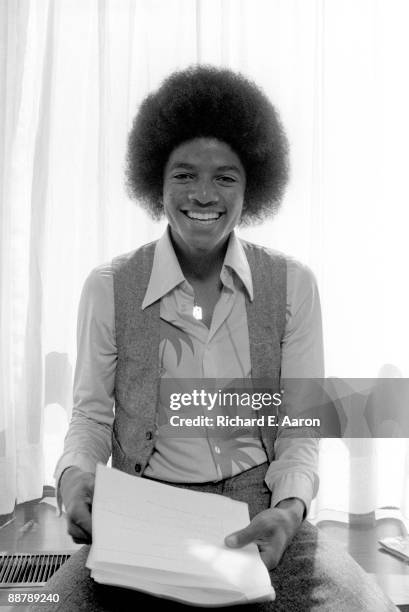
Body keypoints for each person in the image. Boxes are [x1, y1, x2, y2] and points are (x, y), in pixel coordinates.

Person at [31, 66, 398, 611]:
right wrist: (73, 479)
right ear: (156, 181)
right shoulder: (107, 287)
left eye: (225, 176)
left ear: (252, 187)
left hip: (261, 513)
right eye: (184, 174)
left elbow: (300, 429)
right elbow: (89, 417)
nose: (204, 194)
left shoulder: (294, 285)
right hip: (141, 512)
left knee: (358, 605)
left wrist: (291, 509)